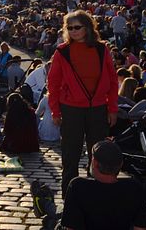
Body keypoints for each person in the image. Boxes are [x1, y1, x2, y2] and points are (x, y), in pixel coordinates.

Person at [48, 10, 118, 196]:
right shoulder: (62, 51)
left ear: (87, 27)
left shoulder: (102, 49)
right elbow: (53, 83)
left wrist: (112, 108)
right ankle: (70, 196)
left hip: (97, 108)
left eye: (77, 27)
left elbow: (112, 81)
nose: (73, 31)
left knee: (99, 155)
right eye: (69, 28)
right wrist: (55, 111)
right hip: (71, 109)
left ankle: (97, 194)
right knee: (70, 155)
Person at [61, 140, 146, 230]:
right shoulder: (134, 188)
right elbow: (141, 227)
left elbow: (71, 227)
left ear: (95, 163)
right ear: (120, 164)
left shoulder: (78, 186)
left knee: (57, 216)